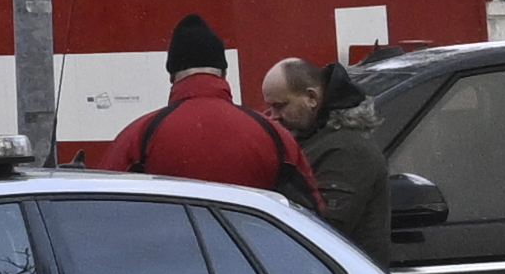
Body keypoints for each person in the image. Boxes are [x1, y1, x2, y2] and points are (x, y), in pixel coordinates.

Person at [114, 17, 318, 200]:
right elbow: (311, 214)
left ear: (172, 76)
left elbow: (102, 207)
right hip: (247, 242)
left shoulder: (140, 136)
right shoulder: (274, 135)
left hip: (166, 242)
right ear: (224, 73)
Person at [260, 56, 391, 248]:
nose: (273, 116)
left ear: (312, 98)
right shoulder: (317, 140)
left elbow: (324, 230)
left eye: (280, 105)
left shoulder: (347, 151)